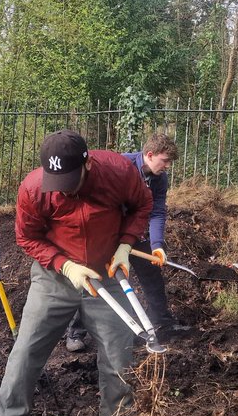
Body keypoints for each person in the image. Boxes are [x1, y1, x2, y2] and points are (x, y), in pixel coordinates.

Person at [0, 130, 152, 416]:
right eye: (58, 182)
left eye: (71, 181)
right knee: (24, 354)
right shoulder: (34, 188)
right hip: (55, 279)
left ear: (88, 163)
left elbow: (142, 206)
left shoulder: (119, 172)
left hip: (106, 275)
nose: (65, 189)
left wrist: (125, 244)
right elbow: (27, 237)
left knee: (118, 361)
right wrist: (64, 265)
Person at [64, 133, 181, 352]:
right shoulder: (120, 166)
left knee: (151, 274)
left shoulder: (159, 178)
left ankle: (163, 322)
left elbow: (156, 211)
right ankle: (75, 331)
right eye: (165, 161)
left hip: (134, 231)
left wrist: (156, 244)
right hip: (106, 231)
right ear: (149, 155)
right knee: (93, 279)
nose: (168, 166)